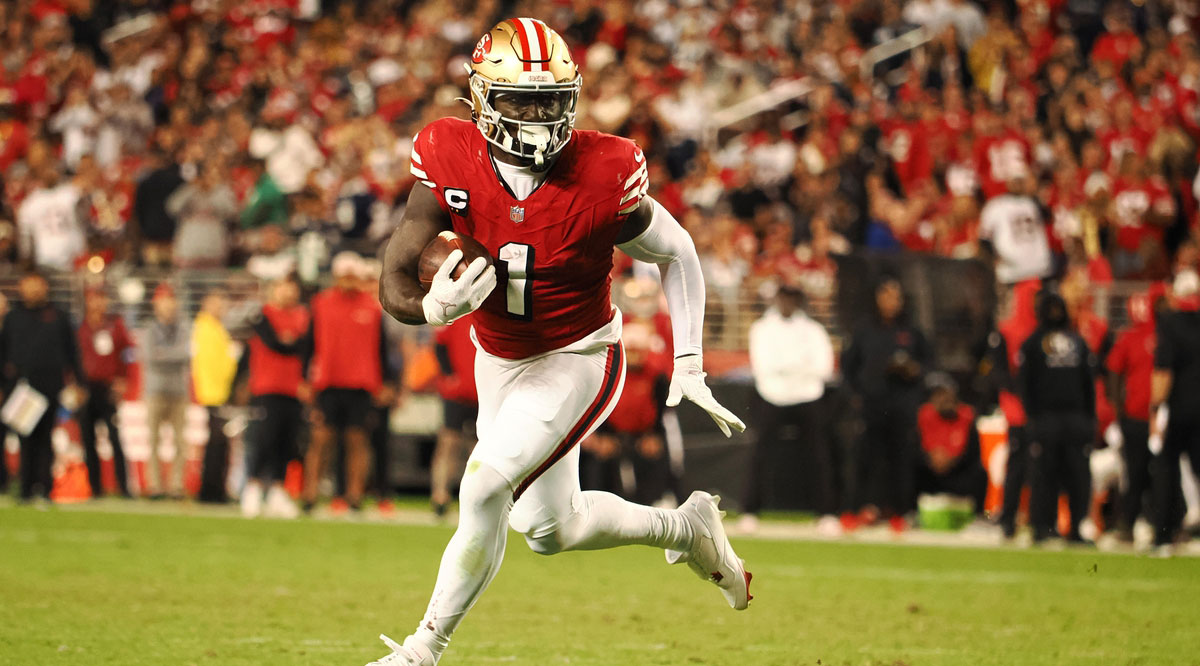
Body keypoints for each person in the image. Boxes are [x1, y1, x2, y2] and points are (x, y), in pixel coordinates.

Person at [371, 19, 747, 666]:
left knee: (485, 486)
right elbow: (395, 274)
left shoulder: (604, 169)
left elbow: (676, 251)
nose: (539, 116)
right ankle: (687, 527)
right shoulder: (447, 152)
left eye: (551, 100)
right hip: (500, 357)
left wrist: (688, 360)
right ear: (484, 98)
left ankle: (421, 651)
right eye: (521, 100)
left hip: (578, 354)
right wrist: (431, 307)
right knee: (548, 529)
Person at [742, 284, 836, 534]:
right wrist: (800, 368)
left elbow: (824, 368)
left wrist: (788, 368)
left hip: (808, 395)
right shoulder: (761, 329)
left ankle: (826, 513)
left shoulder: (814, 330)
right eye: (783, 297)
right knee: (760, 453)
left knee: (818, 454)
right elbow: (763, 366)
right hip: (771, 394)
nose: (787, 303)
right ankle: (750, 511)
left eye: (792, 297)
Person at [303, 252, 391, 513]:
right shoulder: (321, 304)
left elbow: (382, 349)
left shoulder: (372, 309)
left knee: (357, 440)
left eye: (354, 276)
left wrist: (385, 382)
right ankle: (310, 493)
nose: (350, 281)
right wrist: (303, 379)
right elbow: (308, 344)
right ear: (336, 277)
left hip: (361, 384)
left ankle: (355, 495)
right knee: (321, 439)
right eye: (345, 276)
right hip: (328, 382)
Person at [842, 277, 930, 531]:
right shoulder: (864, 329)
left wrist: (913, 371)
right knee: (863, 459)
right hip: (870, 405)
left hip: (900, 406)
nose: (892, 302)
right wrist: (855, 396)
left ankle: (899, 513)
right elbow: (848, 367)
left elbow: (927, 366)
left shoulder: (912, 331)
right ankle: (854, 509)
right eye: (887, 295)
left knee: (900, 461)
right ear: (878, 298)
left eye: (896, 297)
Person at [1018, 289, 1097, 544]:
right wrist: (1032, 417)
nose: (1055, 313)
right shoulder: (1032, 344)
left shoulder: (1078, 343)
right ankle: (1042, 526)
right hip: (1046, 418)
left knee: (1078, 476)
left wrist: (1089, 419)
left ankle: (1076, 527)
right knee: (1044, 474)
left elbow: (1088, 383)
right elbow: (1025, 384)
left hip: (1074, 418)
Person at [0, 269, 84, 501]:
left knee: (46, 438)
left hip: (50, 385)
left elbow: (72, 352)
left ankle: (46, 488)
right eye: (29, 283)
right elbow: (3, 351)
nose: (33, 289)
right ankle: (25, 488)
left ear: (45, 286)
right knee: (25, 438)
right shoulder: (14, 317)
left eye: (37, 284)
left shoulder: (58, 315)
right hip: (20, 386)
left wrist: (78, 382)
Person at [240, 272, 308, 519]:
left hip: (293, 388)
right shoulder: (262, 315)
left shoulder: (302, 316)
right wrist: (291, 342)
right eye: (283, 287)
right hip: (267, 388)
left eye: (291, 288)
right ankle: (253, 486)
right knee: (264, 440)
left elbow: (303, 345)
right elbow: (278, 344)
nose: (288, 293)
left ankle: (278, 490)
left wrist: (291, 342)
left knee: (286, 443)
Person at [1150, 270, 1200, 554]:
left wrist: (1156, 408)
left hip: (1180, 409)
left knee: (1166, 469)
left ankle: (1163, 535)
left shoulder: (1169, 323)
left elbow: (1164, 371)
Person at [1106, 289, 1161, 543]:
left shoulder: (1165, 334)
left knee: (1156, 473)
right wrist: (1119, 410)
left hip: (1157, 417)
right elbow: (1114, 371)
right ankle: (1132, 522)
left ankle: (1159, 522)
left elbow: (1114, 372)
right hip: (1144, 416)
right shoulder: (1137, 337)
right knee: (1141, 472)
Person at [76, 285, 133, 498]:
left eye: (102, 298)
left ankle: (124, 487)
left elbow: (128, 352)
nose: (98, 303)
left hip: (108, 387)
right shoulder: (80, 327)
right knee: (88, 439)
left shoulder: (115, 325)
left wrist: (123, 379)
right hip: (86, 388)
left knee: (115, 438)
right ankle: (95, 487)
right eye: (94, 298)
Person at [142, 284, 191, 499]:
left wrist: (165, 354)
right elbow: (150, 356)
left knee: (181, 441)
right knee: (153, 440)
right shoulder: (148, 329)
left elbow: (186, 354)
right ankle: (155, 485)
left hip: (178, 391)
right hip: (155, 391)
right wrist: (172, 355)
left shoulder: (184, 328)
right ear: (156, 305)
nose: (169, 306)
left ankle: (176, 485)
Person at [915, 373, 987, 513]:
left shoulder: (967, 416)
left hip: (957, 472)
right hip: (931, 472)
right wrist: (929, 459)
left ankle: (978, 515)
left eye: (946, 394)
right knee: (911, 468)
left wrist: (952, 461)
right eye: (939, 395)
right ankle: (910, 512)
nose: (944, 399)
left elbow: (973, 452)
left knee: (980, 473)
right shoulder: (924, 415)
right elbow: (915, 448)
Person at [191, 289, 238, 503]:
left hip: (218, 392)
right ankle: (210, 490)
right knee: (216, 443)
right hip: (215, 393)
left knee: (220, 443)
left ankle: (215, 488)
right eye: (217, 304)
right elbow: (213, 365)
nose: (221, 308)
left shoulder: (215, 328)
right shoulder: (206, 328)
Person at [430, 316, 477, 518]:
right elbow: (440, 346)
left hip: (482, 390)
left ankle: (477, 498)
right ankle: (440, 495)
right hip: (457, 391)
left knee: (480, 448)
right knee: (449, 442)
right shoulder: (456, 313)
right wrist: (449, 375)